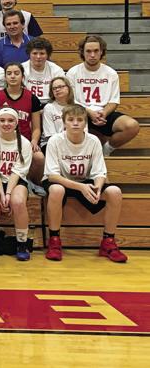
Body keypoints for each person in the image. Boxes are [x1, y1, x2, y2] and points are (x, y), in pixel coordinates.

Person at [43, 104, 127, 263]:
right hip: (63, 181)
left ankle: (108, 241)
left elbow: (100, 172)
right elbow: (52, 175)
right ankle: (54, 241)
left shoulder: (93, 140)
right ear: (64, 122)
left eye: (80, 120)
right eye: (71, 119)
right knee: (56, 190)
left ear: (85, 123)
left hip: (86, 181)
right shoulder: (55, 140)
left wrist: (97, 187)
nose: (75, 123)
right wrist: (81, 187)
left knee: (115, 192)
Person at [66, 35, 139, 155]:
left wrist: (103, 113)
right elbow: (71, 100)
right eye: (88, 51)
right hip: (81, 112)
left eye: (96, 51)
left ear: (101, 52)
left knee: (132, 126)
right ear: (82, 53)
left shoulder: (111, 73)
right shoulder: (73, 72)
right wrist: (89, 112)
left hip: (104, 113)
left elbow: (114, 101)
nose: (92, 55)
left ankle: (106, 149)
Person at [0, 107, 33, 261]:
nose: (6, 123)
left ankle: (21, 243)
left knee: (18, 201)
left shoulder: (25, 143)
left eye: (10, 120)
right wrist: (2, 194)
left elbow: (18, 172)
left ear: (17, 123)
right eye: (2, 120)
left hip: (14, 180)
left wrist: (8, 193)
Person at [0, 62, 44, 182]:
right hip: (3, 141)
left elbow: (36, 128)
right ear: (5, 77)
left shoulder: (31, 98)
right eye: (9, 73)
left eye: (16, 73)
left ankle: (31, 184)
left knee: (39, 157)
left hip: (24, 142)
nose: (13, 76)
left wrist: (34, 141)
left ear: (22, 77)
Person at [22, 38, 64, 104]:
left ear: (47, 55)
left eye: (42, 53)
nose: (38, 57)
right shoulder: (21, 69)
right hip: (27, 103)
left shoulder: (56, 70)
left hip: (51, 104)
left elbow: (62, 93)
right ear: (29, 54)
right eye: (35, 53)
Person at [41, 76, 77, 148]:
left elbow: (83, 132)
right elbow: (51, 135)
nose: (57, 90)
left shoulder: (77, 107)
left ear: (68, 88)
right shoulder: (49, 108)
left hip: (74, 142)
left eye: (60, 87)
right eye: (54, 88)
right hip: (52, 144)